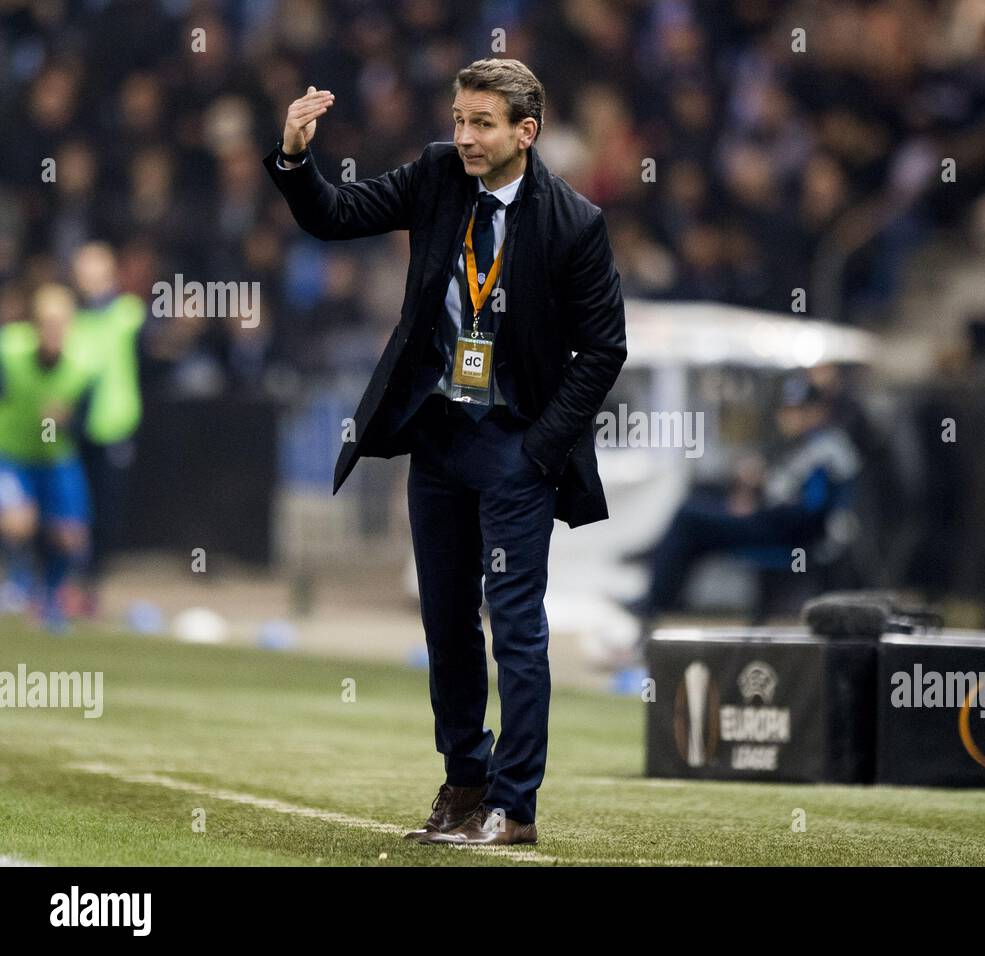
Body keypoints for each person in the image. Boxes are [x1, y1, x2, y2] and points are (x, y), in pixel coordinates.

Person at [264, 59, 626, 846]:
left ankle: (515, 804)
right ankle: (464, 783)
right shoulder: (436, 175)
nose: (463, 135)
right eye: (459, 119)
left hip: (515, 450)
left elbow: (604, 350)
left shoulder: (573, 223)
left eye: (482, 123)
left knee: (518, 630)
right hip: (440, 437)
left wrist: (539, 450)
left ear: (525, 133)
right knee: (446, 624)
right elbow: (333, 214)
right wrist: (296, 157)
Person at [628, 373, 861, 646]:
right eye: (788, 409)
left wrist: (757, 510)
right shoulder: (805, 444)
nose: (789, 416)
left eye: (799, 409)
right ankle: (658, 599)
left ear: (818, 411)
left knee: (688, 518)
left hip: (795, 541)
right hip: (777, 526)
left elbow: (807, 515)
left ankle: (653, 602)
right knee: (695, 515)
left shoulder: (827, 449)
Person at [0, 284, 99, 633]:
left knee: (72, 537)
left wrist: (67, 420)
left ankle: (50, 599)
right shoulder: (9, 352)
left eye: (60, 324)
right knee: (17, 522)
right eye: (46, 323)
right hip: (12, 454)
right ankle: (18, 581)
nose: (53, 332)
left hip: (55, 456)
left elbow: (88, 423)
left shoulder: (82, 366)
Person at [71, 242, 146, 610]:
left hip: (113, 426)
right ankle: (67, 581)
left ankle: (91, 585)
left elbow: (152, 354)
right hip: (74, 428)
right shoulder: (73, 318)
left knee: (105, 512)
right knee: (72, 508)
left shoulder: (128, 313)